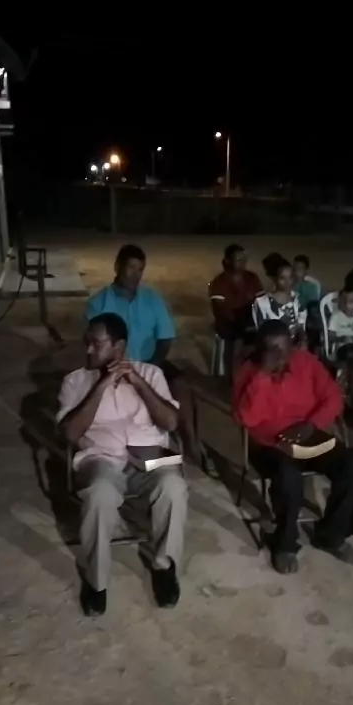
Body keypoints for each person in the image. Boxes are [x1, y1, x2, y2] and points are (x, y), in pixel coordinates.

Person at [57, 313, 187, 616]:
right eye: (87, 342)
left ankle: (164, 567)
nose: (88, 349)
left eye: (96, 343)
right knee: (100, 495)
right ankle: (97, 581)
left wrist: (138, 383)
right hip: (101, 456)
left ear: (119, 346)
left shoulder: (151, 373)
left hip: (152, 452)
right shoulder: (75, 381)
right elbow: (70, 434)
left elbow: (171, 422)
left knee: (174, 486)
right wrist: (101, 385)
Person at [233, 320, 353, 573]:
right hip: (269, 443)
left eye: (284, 349)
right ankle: (284, 544)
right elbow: (246, 419)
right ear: (260, 350)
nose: (280, 356)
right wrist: (262, 376)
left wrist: (311, 424)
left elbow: (333, 397)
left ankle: (331, 535)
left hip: (308, 435)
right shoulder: (249, 372)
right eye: (272, 351)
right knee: (288, 477)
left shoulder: (305, 362)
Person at [86, 244, 200, 464]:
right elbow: (94, 344)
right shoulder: (98, 303)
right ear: (117, 266)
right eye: (131, 267)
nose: (136, 274)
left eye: (140, 269)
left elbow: (165, 337)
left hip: (151, 361)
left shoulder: (152, 298)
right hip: (112, 365)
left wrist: (153, 366)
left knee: (182, 386)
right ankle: (129, 448)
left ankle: (192, 443)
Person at [209, 244, 263, 341]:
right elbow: (219, 311)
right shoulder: (218, 282)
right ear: (228, 261)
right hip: (230, 324)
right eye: (238, 259)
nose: (243, 262)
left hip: (249, 319)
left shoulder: (252, 278)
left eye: (244, 259)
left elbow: (261, 301)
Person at [253, 254, 306, 338]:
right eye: (282, 278)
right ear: (275, 278)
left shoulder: (298, 299)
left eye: (290, 277)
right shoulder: (262, 303)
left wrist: (302, 339)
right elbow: (261, 333)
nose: (287, 282)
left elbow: (301, 326)